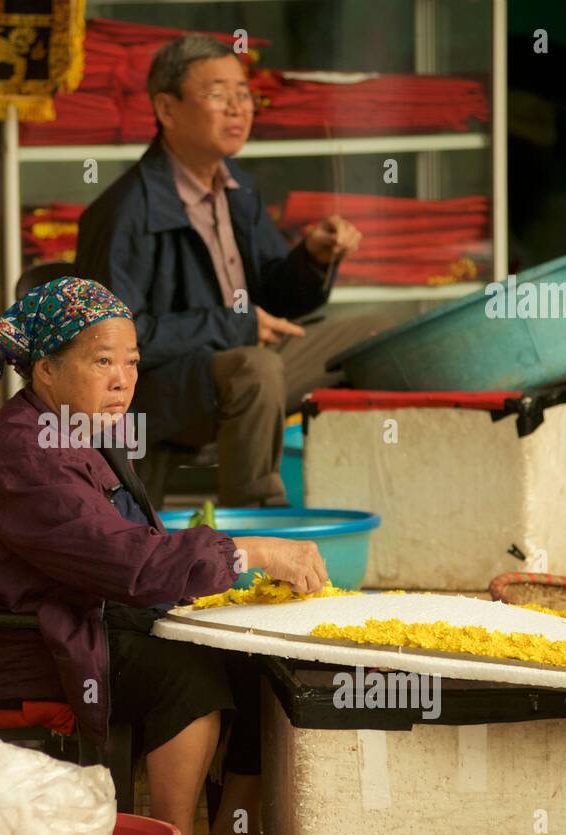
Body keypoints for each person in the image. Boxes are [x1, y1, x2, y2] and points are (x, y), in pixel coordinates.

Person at [0, 277, 327, 835]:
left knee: (258, 662)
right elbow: (129, 564)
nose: (123, 379)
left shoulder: (79, 429)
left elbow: (133, 549)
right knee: (186, 672)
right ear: (45, 370)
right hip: (42, 645)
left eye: (132, 362)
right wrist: (252, 551)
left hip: (88, 617)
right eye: (102, 362)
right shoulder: (29, 456)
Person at [76, 33, 394, 507]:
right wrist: (234, 325)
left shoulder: (237, 186)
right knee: (256, 368)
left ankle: (372, 495)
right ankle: (253, 533)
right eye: (218, 95)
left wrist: (312, 258)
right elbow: (114, 340)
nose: (238, 108)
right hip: (160, 391)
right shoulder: (124, 212)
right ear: (166, 109)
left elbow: (273, 296)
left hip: (239, 361)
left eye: (244, 94)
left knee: (376, 335)